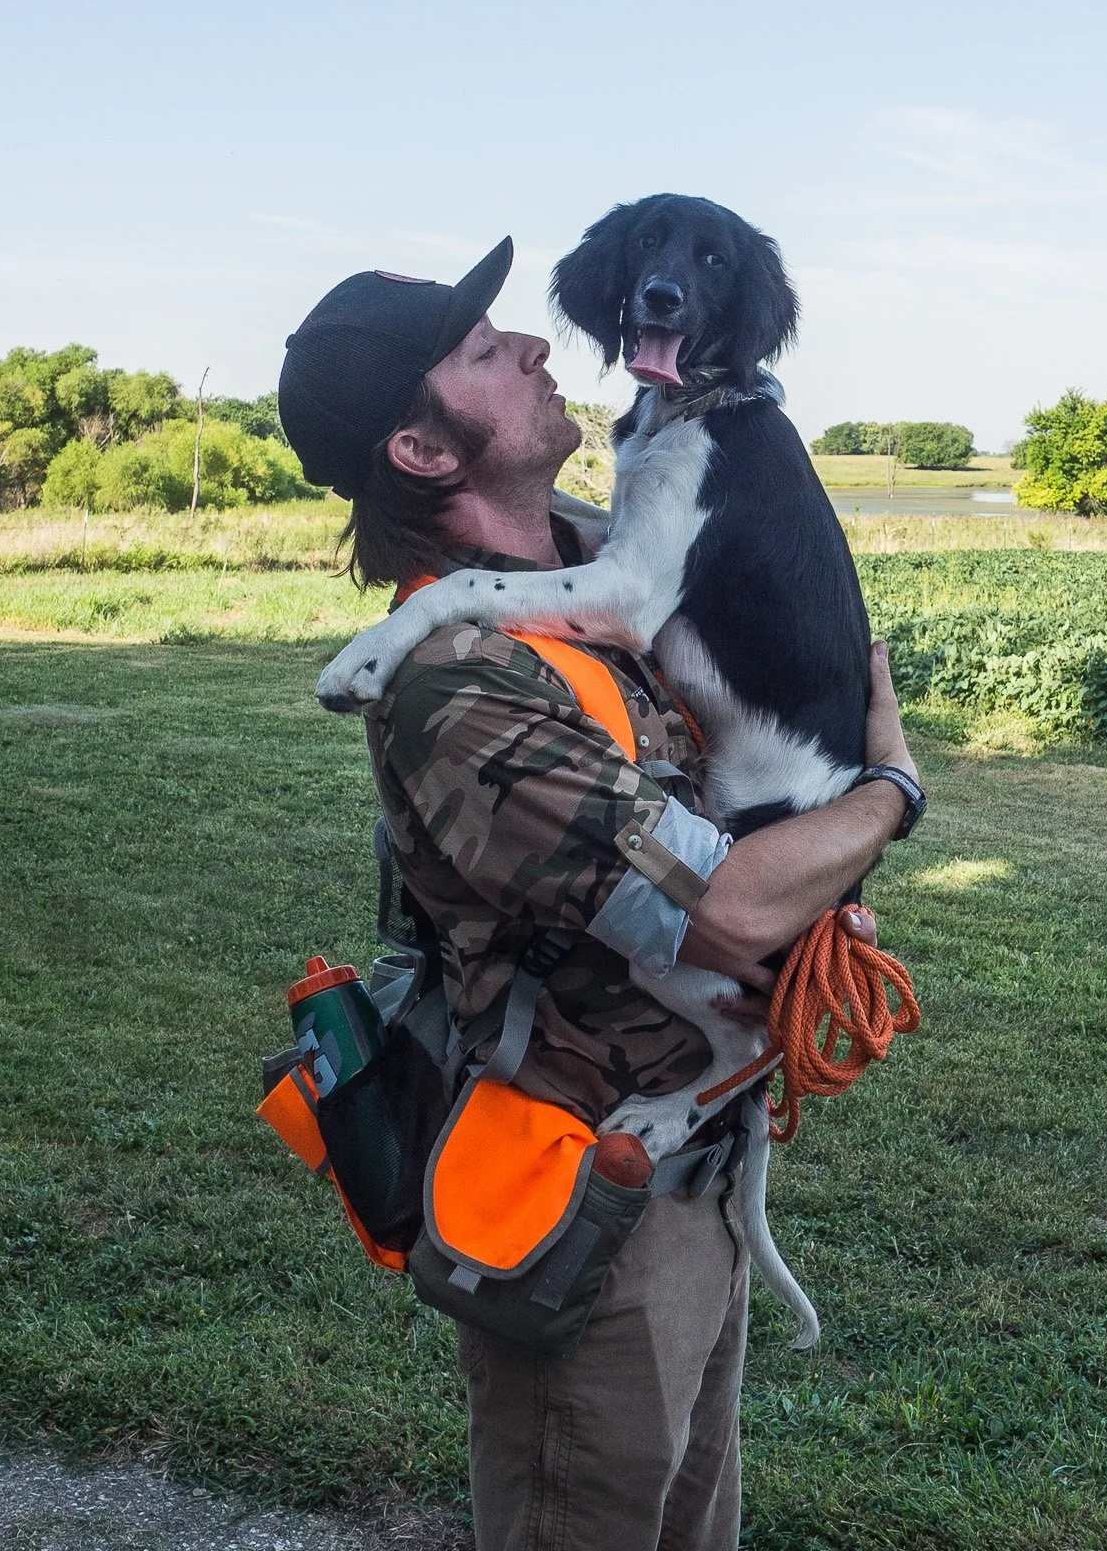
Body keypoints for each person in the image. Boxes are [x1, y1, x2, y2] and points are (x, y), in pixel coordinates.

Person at [278, 238, 921, 1551]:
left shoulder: (587, 595)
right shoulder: (460, 680)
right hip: (587, 1214)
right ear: (421, 451)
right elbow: (733, 908)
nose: (526, 345)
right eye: (477, 351)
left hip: (696, 1176)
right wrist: (892, 793)